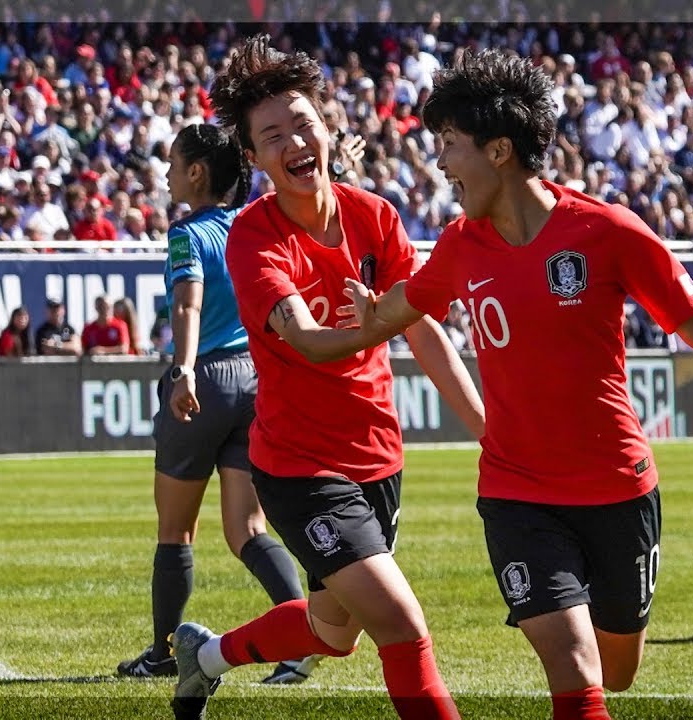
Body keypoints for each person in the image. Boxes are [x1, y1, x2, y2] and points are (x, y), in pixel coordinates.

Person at [345, 49, 693, 720]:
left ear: (501, 149)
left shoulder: (606, 230)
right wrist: (372, 315)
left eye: (451, 146)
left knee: (615, 672)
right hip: (516, 494)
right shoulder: (460, 242)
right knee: (572, 668)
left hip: (618, 490)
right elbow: (407, 302)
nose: (443, 165)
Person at [169, 35, 484, 720]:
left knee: (332, 633)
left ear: (328, 126)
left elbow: (424, 328)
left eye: (303, 123)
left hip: (378, 462)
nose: (293, 141)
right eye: (272, 135)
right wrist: (381, 322)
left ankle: (205, 656)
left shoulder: (375, 217)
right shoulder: (254, 237)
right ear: (252, 159)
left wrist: (491, 431)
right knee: (401, 625)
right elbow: (310, 343)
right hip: (302, 472)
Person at [116, 123, 320, 686]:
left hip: (203, 378)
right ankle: (301, 640)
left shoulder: (189, 234)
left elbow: (187, 304)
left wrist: (182, 370)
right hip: (257, 379)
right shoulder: (254, 225)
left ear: (198, 173)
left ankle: (162, 655)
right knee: (248, 529)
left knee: (175, 531)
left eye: (175, 163)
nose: (168, 173)